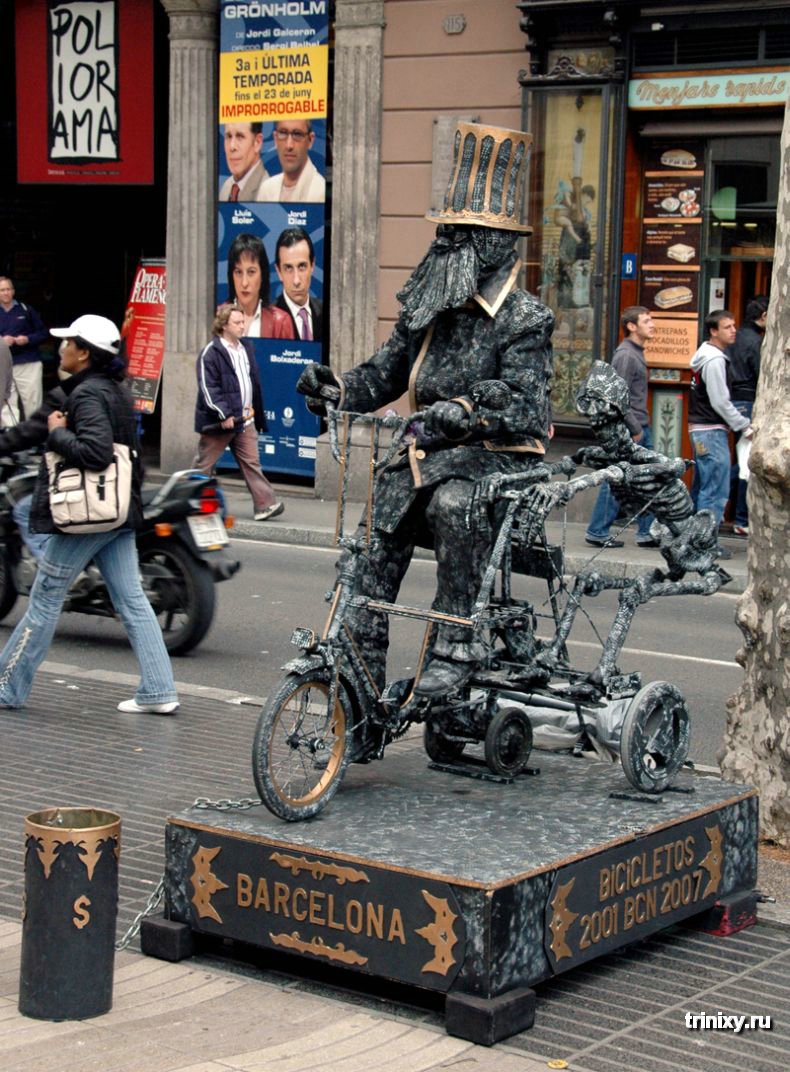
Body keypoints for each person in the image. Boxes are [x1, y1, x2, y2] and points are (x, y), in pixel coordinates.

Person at [297, 121, 554, 696]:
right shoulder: (430, 304)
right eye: (444, 230)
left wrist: (468, 409)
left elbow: (526, 404)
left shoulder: (526, 319)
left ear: (495, 245)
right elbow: (385, 372)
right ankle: (357, 686)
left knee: (454, 504)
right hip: (423, 454)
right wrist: (338, 389)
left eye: (460, 233)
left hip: (493, 462)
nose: (444, 242)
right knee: (371, 543)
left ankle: (456, 644)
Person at [0, 314, 179, 714]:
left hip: (87, 516)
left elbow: (96, 453)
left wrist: (57, 433)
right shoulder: (115, 391)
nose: (61, 348)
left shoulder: (85, 395)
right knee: (132, 599)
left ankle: (7, 687)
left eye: (68, 343)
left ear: (84, 353)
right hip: (116, 511)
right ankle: (158, 689)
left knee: (46, 596)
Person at [193, 304, 284, 522]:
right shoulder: (210, 353)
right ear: (224, 326)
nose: (242, 326)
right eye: (237, 322)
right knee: (204, 465)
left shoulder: (246, 348)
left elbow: (252, 383)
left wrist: (255, 412)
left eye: (243, 322)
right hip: (221, 421)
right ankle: (190, 501)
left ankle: (265, 505)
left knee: (252, 463)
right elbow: (209, 388)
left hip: (244, 419)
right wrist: (223, 414)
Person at [585, 306, 658, 549]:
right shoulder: (626, 355)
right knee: (617, 480)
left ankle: (646, 531)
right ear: (631, 326)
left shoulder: (635, 352)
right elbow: (616, 397)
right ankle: (597, 531)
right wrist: (634, 428)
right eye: (646, 320)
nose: (652, 324)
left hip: (638, 426)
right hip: (631, 430)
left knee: (646, 478)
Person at [688, 308, 751, 559]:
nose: (734, 330)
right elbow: (720, 401)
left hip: (702, 430)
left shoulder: (705, 355)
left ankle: (695, 540)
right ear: (713, 331)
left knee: (704, 488)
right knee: (715, 490)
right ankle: (705, 544)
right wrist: (743, 424)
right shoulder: (714, 360)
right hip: (711, 431)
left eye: (734, 325)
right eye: (727, 327)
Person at [728, 295, 767, 536]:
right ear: (764, 316)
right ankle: (741, 519)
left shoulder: (734, 337)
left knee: (738, 460)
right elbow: (762, 374)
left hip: (732, 401)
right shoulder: (757, 342)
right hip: (748, 401)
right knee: (745, 462)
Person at [225, 232, 296, 340]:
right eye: (238, 272)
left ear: (262, 275)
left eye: (251, 272)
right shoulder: (217, 317)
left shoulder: (281, 322)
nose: (244, 283)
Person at [0, 276, 48, 424]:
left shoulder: (26, 309)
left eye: (8, 289)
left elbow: (43, 333)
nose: (6, 293)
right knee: (6, 404)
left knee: (33, 402)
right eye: (2, 290)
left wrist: (28, 339)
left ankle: (33, 434)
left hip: (28, 362)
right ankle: (10, 434)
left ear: (13, 291)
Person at [273, 227, 323, 342]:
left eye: (302, 266)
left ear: (312, 266)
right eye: (288, 268)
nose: (296, 281)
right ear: (278, 271)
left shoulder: (325, 312)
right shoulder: (268, 319)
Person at [260, 120, 325, 203]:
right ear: (275, 139)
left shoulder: (320, 192)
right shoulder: (266, 189)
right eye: (283, 133)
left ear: (310, 140)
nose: (289, 145)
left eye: (297, 134)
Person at [219, 122, 268, 202]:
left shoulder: (267, 192)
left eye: (240, 136)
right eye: (229, 136)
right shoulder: (226, 187)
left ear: (257, 142)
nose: (232, 146)